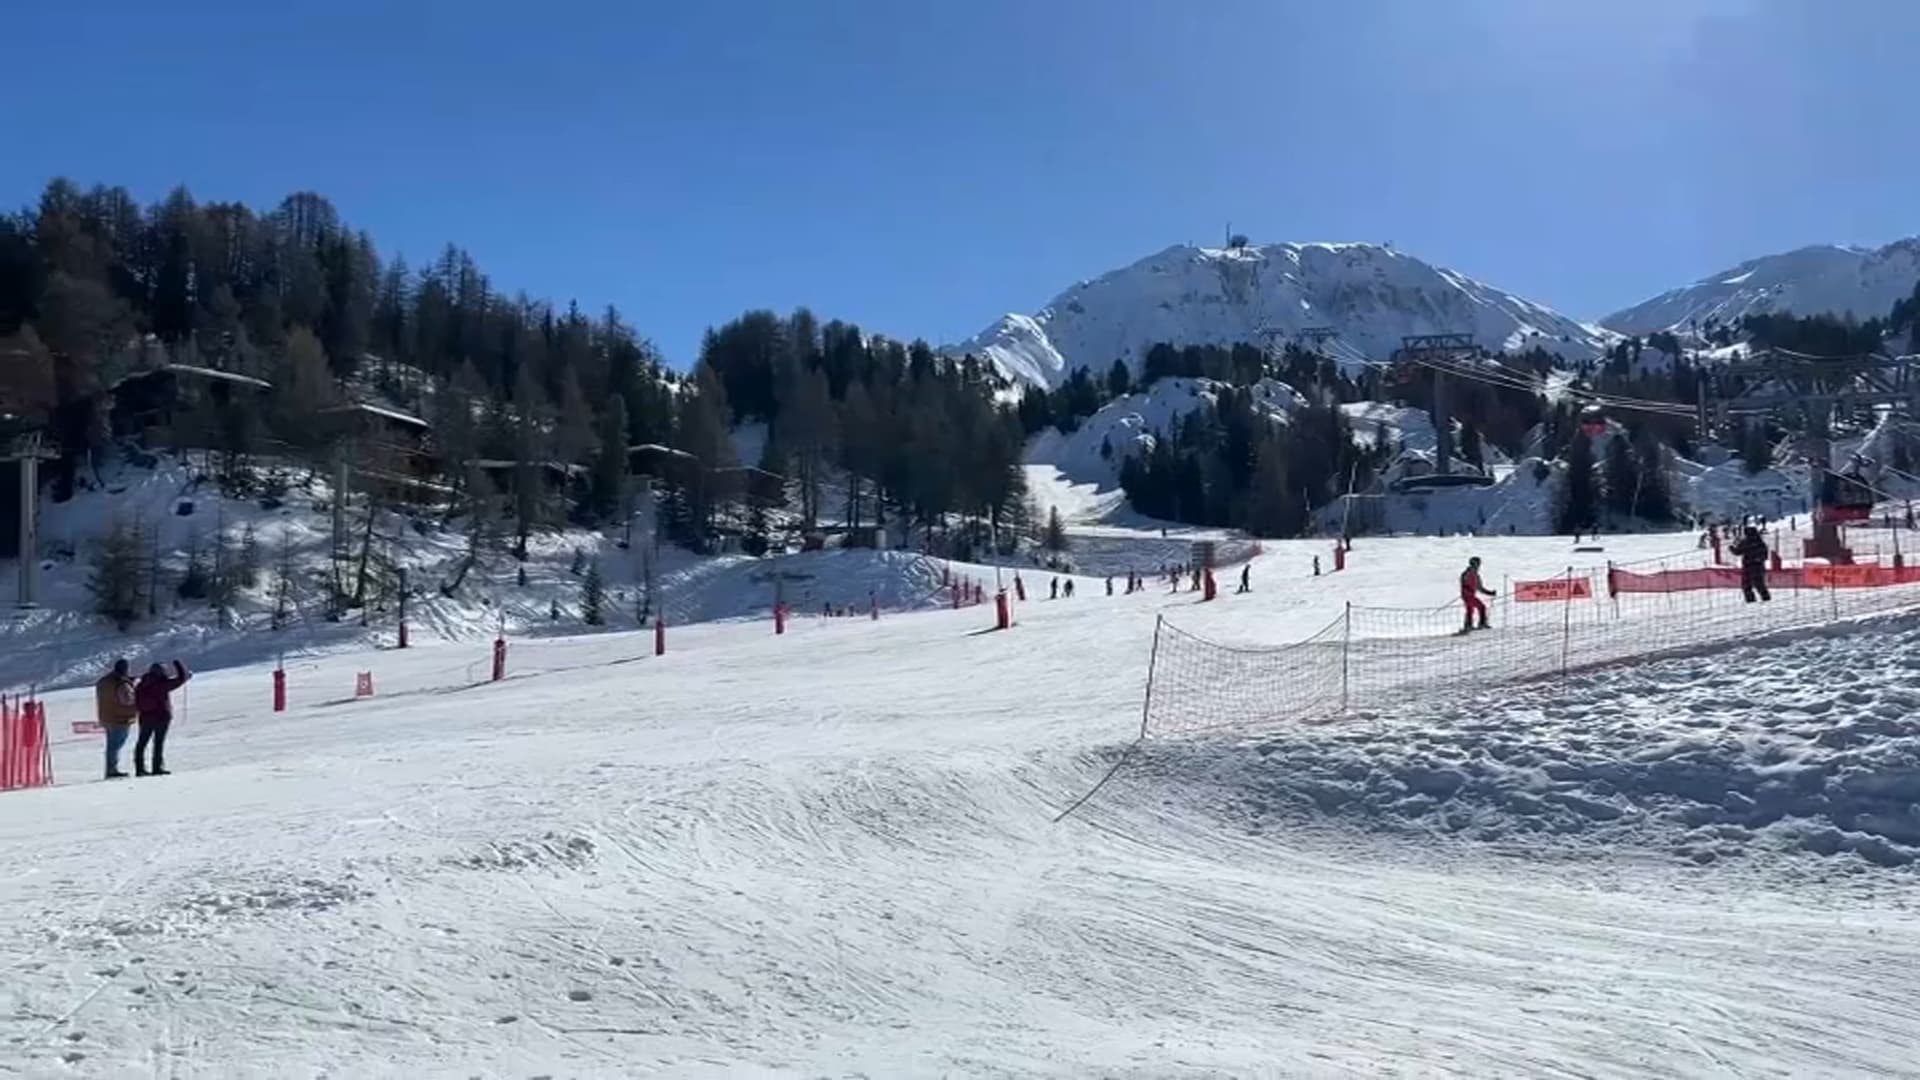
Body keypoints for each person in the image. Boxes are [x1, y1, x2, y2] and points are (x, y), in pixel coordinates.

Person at [133, 660, 191, 777]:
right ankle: (157, 767)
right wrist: (178, 664)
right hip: (161, 716)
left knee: (142, 742)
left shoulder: (141, 684)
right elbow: (181, 678)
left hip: (145, 716)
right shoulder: (162, 684)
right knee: (158, 742)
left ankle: (140, 769)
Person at [94, 659, 138, 780]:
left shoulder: (104, 681)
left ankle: (110, 769)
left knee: (111, 745)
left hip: (106, 717)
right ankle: (112, 770)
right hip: (120, 718)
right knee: (116, 745)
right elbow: (128, 700)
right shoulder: (121, 683)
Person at [1730, 526, 1772, 603]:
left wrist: (1731, 548)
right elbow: (1765, 555)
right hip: (1758, 566)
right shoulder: (1760, 542)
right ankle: (1766, 599)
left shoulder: (1745, 542)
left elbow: (1737, 552)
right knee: (1759, 584)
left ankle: (1750, 600)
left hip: (1748, 566)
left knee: (1746, 585)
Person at [1459, 557, 1496, 632]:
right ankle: (1481, 624)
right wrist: (1467, 588)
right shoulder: (1468, 573)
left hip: (1469, 595)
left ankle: (1468, 625)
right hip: (1467, 595)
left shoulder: (1476, 575)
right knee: (1481, 607)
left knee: (1470, 609)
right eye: (1477, 563)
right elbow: (1464, 582)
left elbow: (1480, 588)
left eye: (1478, 564)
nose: (1478, 565)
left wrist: (1489, 593)